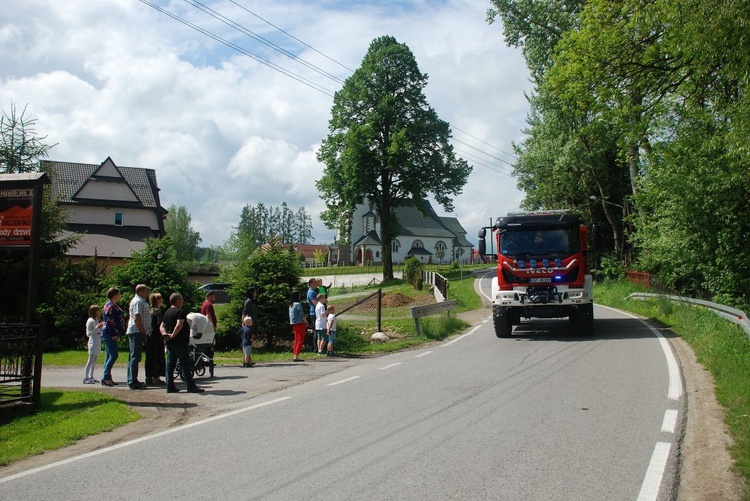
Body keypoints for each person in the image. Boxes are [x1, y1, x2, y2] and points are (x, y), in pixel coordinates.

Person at [161, 292, 204, 393]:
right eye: (181, 299)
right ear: (177, 300)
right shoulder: (180, 312)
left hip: (170, 342)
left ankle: (170, 386)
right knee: (185, 364)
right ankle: (191, 386)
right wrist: (173, 335)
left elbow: (162, 325)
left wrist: (165, 334)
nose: (183, 301)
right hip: (180, 342)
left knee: (170, 365)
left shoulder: (167, 312)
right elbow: (179, 325)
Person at [126, 283, 149, 390]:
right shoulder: (138, 301)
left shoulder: (140, 301)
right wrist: (142, 331)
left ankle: (132, 379)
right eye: (146, 291)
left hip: (137, 331)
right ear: (141, 291)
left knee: (134, 356)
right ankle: (132, 381)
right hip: (136, 331)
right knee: (135, 356)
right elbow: (137, 317)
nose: (147, 293)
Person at [101, 287, 124, 387]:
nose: (120, 295)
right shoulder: (110, 306)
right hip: (110, 333)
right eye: (118, 294)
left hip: (110, 333)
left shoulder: (111, 305)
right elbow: (110, 321)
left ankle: (108, 377)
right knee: (114, 355)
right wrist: (115, 334)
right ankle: (106, 377)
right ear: (114, 295)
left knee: (108, 356)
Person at [145, 293, 166, 384]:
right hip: (157, 336)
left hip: (149, 335)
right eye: (160, 299)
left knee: (150, 356)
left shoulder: (149, 310)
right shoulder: (158, 311)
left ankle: (149, 376)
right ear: (157, 300)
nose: (162, 300)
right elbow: (160, 324)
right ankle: (155, 375)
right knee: (157, 356)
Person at [83, 305, 104, 384]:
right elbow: (88, 333)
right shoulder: (90, 320)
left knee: (94, 360)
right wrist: (97, 327)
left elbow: (100, 330)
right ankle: (85, 377)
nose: (99, 312)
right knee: (90, 360)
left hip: (98, 341)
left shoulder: (97, 320)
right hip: (93, 342)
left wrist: (101, 326)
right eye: (97, 310)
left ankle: (91, 376)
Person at [200, 291, 218, 376]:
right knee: (211, 346)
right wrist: (212, 326)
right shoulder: (209, 305)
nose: (214, 298)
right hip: (209, 329)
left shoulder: (203, 304)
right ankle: (209, 362)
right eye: (213, 296)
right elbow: (208, 315)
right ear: (210, 296)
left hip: (204, 329)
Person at [288, 291, 306, 362]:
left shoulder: (291, 305)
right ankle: (296, 355)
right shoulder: (298, 304)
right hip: (300, 323)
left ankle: (294, 354)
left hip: (294, 323)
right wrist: (306, 321)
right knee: (300, 339)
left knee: (296, 339)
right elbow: (302, 314)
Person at [306, 278, 319, 347]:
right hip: (314, 313)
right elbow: (315, 303)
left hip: (317, 312)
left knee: (319, 330)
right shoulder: (311, 292)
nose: (316, 284)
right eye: (315, 283)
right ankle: (315, 347)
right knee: (317, 330)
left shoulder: (315, 290)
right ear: (311, 284)